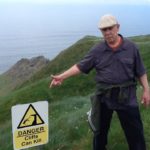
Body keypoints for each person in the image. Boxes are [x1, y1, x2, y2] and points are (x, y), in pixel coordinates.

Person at [50, 14, 150, 150]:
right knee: (99, 133)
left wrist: (146, 90)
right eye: (104, 30)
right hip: (104, 97)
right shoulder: (97, 50)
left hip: (127, 96)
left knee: (135, 133)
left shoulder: (131, 47)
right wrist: (62, 76)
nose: (108, 32)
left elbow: (140, 71)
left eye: (110, 28)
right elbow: (80, 66)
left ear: (118, 27)